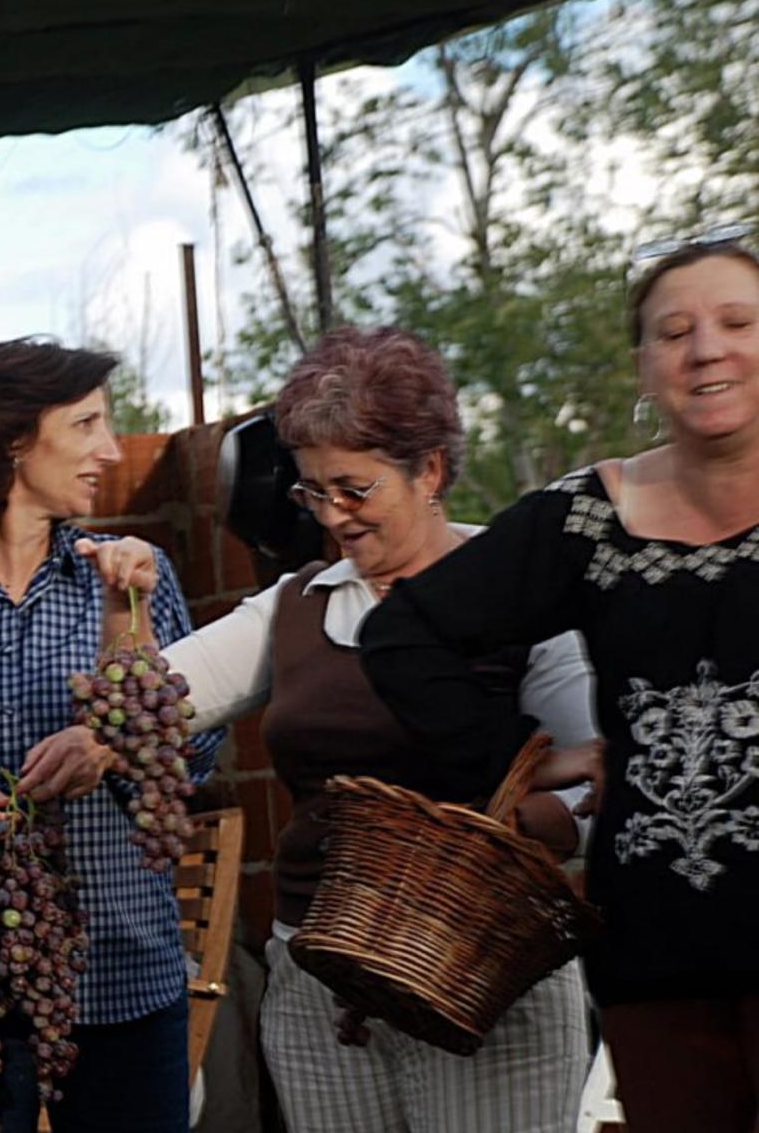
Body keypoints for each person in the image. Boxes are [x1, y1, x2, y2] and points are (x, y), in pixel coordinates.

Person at [97, 327, 596, 1132]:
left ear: (428, 468)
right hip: (318, 986)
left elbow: (592, 788)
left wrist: (500, 829)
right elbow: (141, 711)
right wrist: (127, 603)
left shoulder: (521, 593)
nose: (333, 516)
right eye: (311, 492)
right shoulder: (298, 603)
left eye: (354, 489)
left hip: (486, 982)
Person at [360, 234, 759, 1133]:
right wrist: (523, 756)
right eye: (674, 332)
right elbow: (403, 633)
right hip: (662, 948)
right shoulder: (588, 517)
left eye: (737, 323)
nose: (706, 349)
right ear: (644, 367)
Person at [0, 338, 223, 1133]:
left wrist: (112, 710)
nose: (111, 449)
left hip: (119, 971)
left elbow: (186, 762)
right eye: (86, 422)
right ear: (15, 437)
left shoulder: (132, 573)